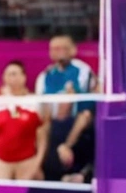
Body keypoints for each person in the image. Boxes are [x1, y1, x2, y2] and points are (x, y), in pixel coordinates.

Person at [34, 35, 96, 181]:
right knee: (42, 126)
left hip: (77, 122)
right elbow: (43, 110)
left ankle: (68, 148)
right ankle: (40, 165)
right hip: (53, 124)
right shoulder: (45, 76)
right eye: (54, 48)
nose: (58, 51)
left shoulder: (83, 71)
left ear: (72, 50)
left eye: (62, 48)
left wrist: (72, 97)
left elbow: (88, 103)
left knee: (85, 115)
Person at [0, 61, 47, 181]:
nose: (11, 78)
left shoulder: (33, 103)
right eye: (8, 74)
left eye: (15, 74)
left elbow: (42, 140)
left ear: (23, 77)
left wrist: (37, 164)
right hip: (2, 162)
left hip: (27, 161)